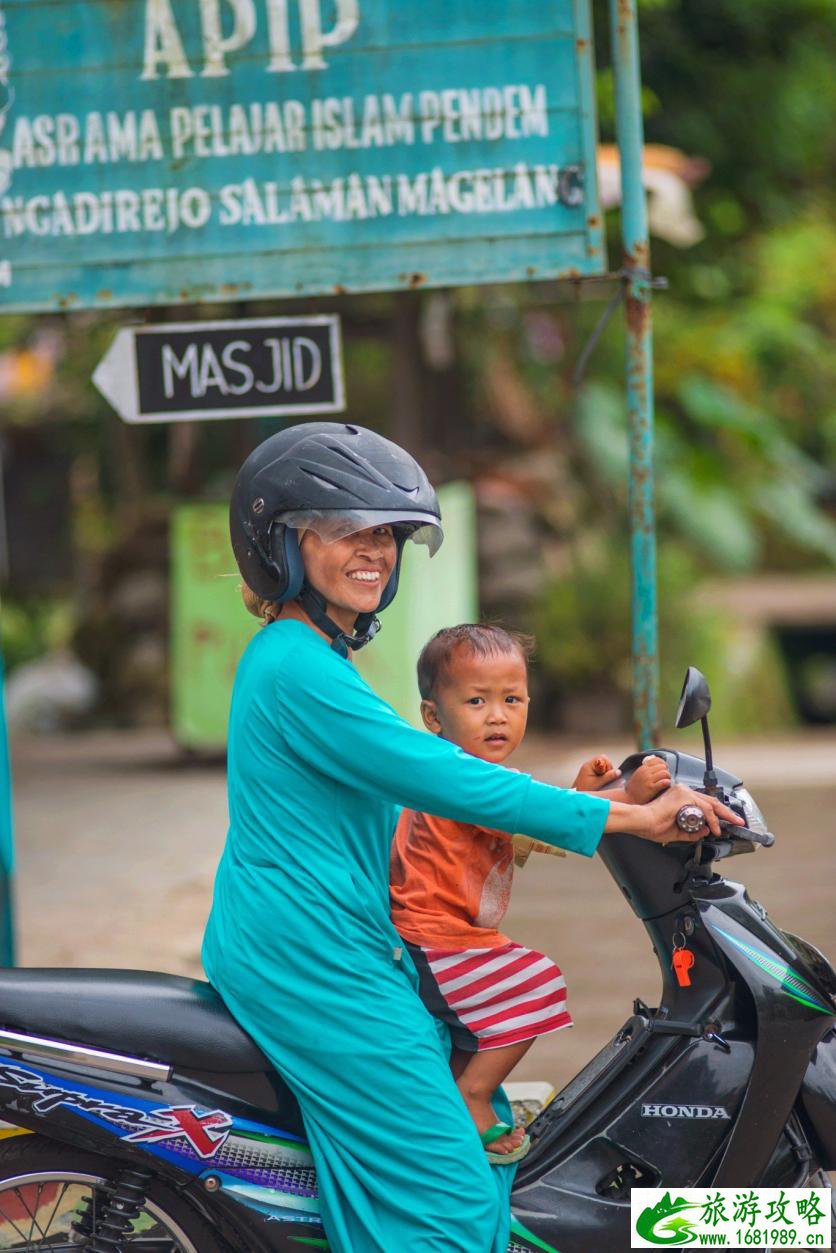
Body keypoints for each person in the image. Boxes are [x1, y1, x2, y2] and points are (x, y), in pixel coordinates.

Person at [202, 421, 741, 1253]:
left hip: (340, 943)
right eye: (347, 528)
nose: (373, 548)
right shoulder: (295, 666)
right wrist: (628, 817)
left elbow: (446, 800)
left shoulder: (316, 658)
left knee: (465, 1150)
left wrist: (595, 797)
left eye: (385, 532)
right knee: (446, 1197)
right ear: (281, 540)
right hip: (312, 960)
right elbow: (442, 772)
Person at [390, 624, 672, 1164]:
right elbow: (529, 815)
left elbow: (530, 823)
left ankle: (457, 1102)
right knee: (535, 983)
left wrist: (585, 795)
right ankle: (470, 1096)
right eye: (477, 701)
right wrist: (631, 799)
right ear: (433, 717)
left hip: (449, 934)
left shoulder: (473, 775)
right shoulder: (460, 778)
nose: (497, 715)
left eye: (511, 699)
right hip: (435, 936)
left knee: (504, 993)